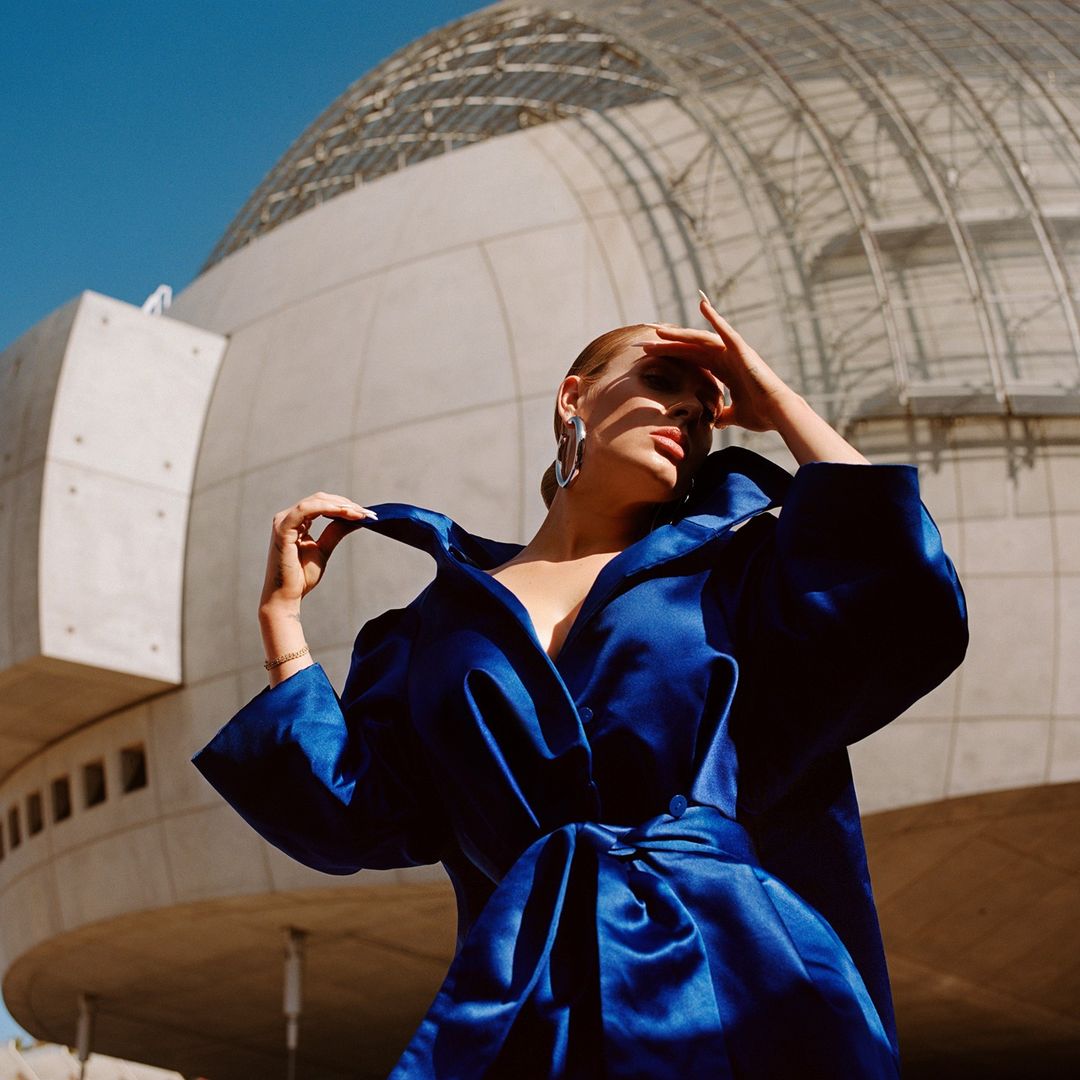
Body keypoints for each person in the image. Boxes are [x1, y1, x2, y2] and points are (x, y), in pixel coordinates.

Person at [193, 292, 969, 1078]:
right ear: (575, 397)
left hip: (731, 976)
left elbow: (899, 587)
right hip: (532, 991)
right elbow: (352, 815)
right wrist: (281, 621)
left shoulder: (736, 572)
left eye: (706, 411)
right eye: (661, 381)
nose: (688, 413)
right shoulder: (434, 626)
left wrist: (779, 404)